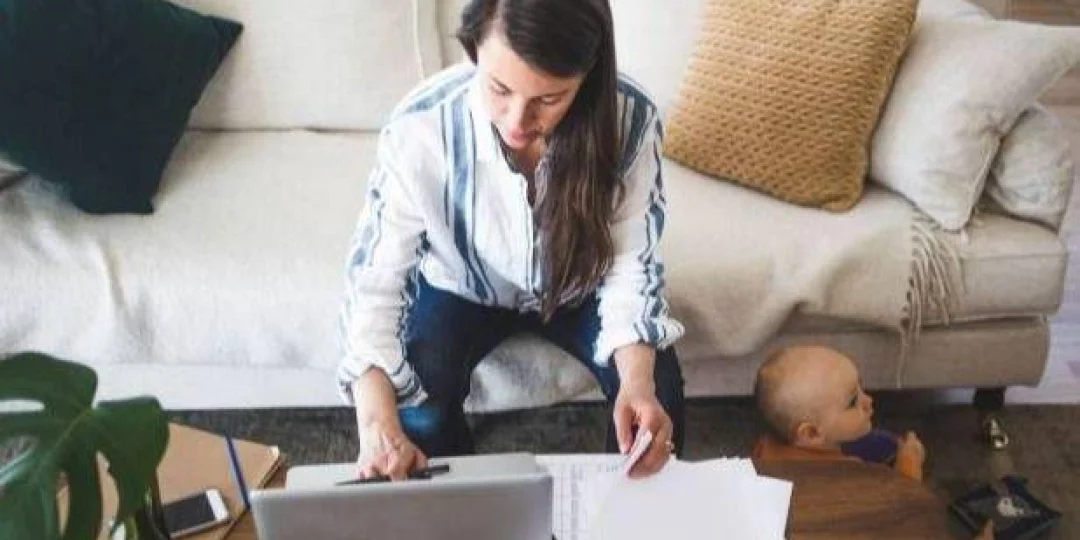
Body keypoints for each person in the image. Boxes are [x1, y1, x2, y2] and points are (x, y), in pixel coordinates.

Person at [337, 0, 685, 481]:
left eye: (550, 98)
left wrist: (638, 386)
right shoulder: (420, 128)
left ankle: (626, 512)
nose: (518, 121)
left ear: (587, 76)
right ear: (474, 50)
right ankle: (458, 509)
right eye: (499, 89)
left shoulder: (631, 120)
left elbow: (631, 265)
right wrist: (376, 423)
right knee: (419, 408)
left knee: (658, 397)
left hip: (580, 285)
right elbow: (374, 283)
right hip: (461, 285)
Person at [752, 345, 926, 481]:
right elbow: (904, 501)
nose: (868, 400)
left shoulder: (764, 448)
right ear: (811, 433)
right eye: (852, 402)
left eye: (861, 386)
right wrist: (910, 461)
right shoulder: (849, 474)